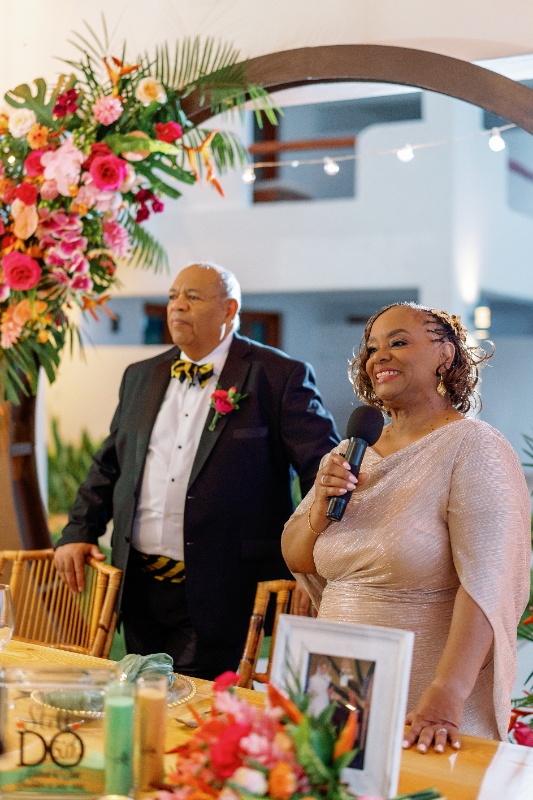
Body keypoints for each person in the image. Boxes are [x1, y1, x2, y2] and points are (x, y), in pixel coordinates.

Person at [54, 262, 339, 679]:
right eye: (172, 296)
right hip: (140, 584)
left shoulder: (278, 377)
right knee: (143, 694)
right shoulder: (141, 375)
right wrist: (79, 531)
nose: (177, 306)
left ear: (229, 309)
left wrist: (311, 561)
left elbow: (323, 472)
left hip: (225, 586)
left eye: (193, 296)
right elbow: (110, 463)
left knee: (193, 701)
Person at [282, 302, 531, 752]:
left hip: (425, 701)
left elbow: (487, 583)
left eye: (398, 342)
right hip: (337, 687)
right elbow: (298, 557)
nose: (380, 356)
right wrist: (319, 506)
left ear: (445, 355)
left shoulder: (474, 446)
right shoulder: (349, 452)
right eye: (372, 348)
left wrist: (447, 693)